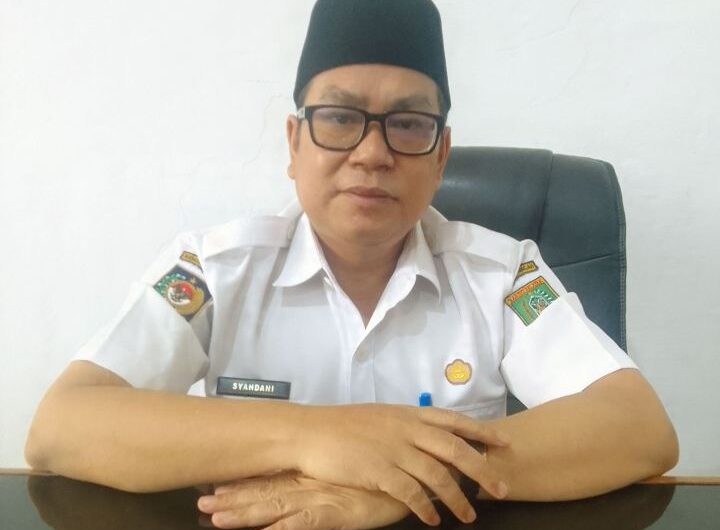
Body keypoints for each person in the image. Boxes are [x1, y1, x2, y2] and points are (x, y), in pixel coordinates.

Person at [25, 1, 678, 529]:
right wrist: (314, 438)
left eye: (409, 124)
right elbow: (62, 427)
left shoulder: (502, 276)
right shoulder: (210, 270)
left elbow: (637, 427)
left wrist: (401, 480)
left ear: (441, 155)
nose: (371, 153)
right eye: (339, 118)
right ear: (293, 143)